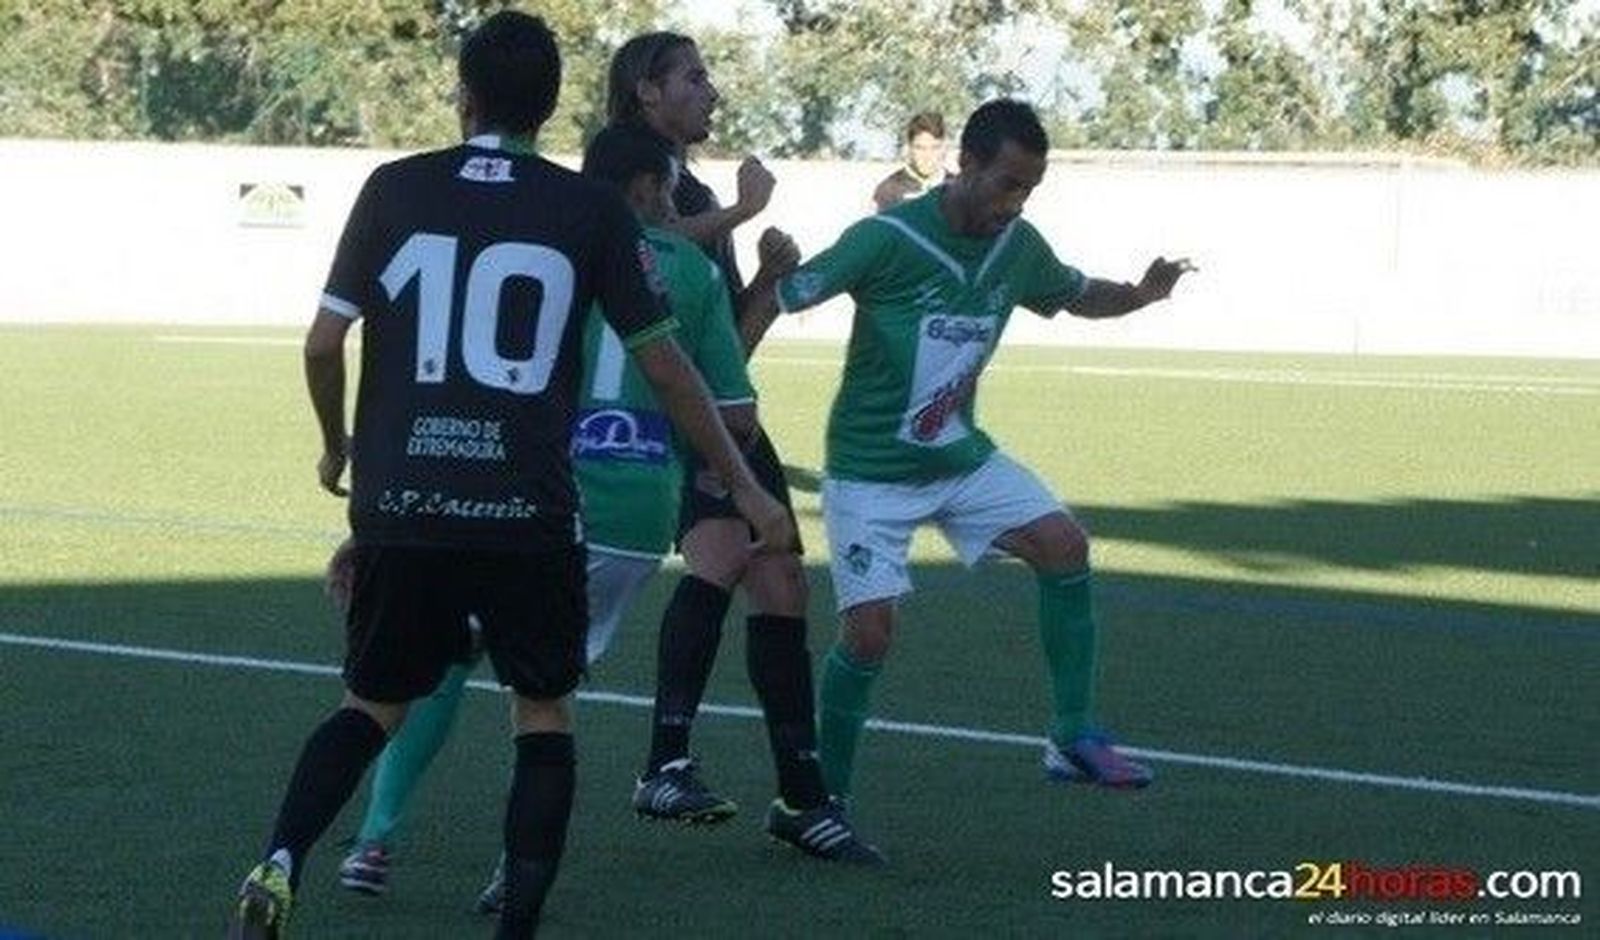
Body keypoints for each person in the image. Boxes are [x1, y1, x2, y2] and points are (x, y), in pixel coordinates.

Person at [225, 12, 790, 940]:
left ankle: (280, 860)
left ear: (463, 95)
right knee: (544, 713)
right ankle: (516, 925)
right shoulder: (589, 210)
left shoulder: (394, 189)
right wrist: (748, 484)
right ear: (552, 105)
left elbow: (326, 339)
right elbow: (665, 367)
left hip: (405, 498)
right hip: (527, 508)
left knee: (372, 702)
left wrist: (337, 447)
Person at [331, 123, 792, 908]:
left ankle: (375, 836)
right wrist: (765, 296)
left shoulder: (554, 246)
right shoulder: (687, 270)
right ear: (652, 188)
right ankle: (518, 868)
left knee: (445, 657)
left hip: (523, 492)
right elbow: (733, 411)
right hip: (632, 515)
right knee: (544, 699)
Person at [760, 99, 1194, 834]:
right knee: (869, 635)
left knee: (1064, 545)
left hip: (960, 456)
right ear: (964, 164)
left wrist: (1141, 296)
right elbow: (788, 291)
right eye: (1005, 184)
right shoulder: (887, 238)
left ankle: (1071, 735)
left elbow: (1075, 294)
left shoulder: (1017, 246)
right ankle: (815, 799)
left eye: (1027, 189)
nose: (1013, 203)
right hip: (870, 473)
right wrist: (760, 294)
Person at [605, 32, 881, 863]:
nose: (712, 90)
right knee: (726, 559)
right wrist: (741, 214)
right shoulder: (626, 175)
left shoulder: (694, 192)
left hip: (717, 415)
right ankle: (667, 762)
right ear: (646, 93)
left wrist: (762, 280)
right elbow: (632, 257)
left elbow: (723, 342)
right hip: (653, 419)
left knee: (782, 578)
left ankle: (800, 797)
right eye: (693, 76)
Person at [872, 111, 950, 211]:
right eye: (920, 148)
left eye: (935, 147)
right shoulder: (889, 190)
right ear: (909, 148)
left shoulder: (961, 189)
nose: (927, 156)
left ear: (945, 148)